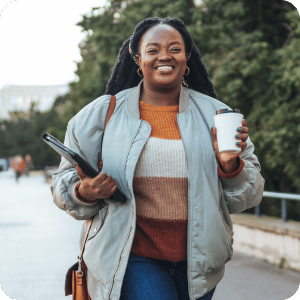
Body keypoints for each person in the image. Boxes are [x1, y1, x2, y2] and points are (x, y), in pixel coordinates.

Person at [51, 17, 265, 300]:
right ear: (137, 59)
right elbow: (62, 183)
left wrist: (230, 166)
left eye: (174, 49)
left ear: (186, 58)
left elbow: (247, 197)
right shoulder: (102, 115)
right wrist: (85, 192)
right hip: (132, 258)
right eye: (153, 50)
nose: (164, 55)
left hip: (199, 265)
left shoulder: (218, 116)